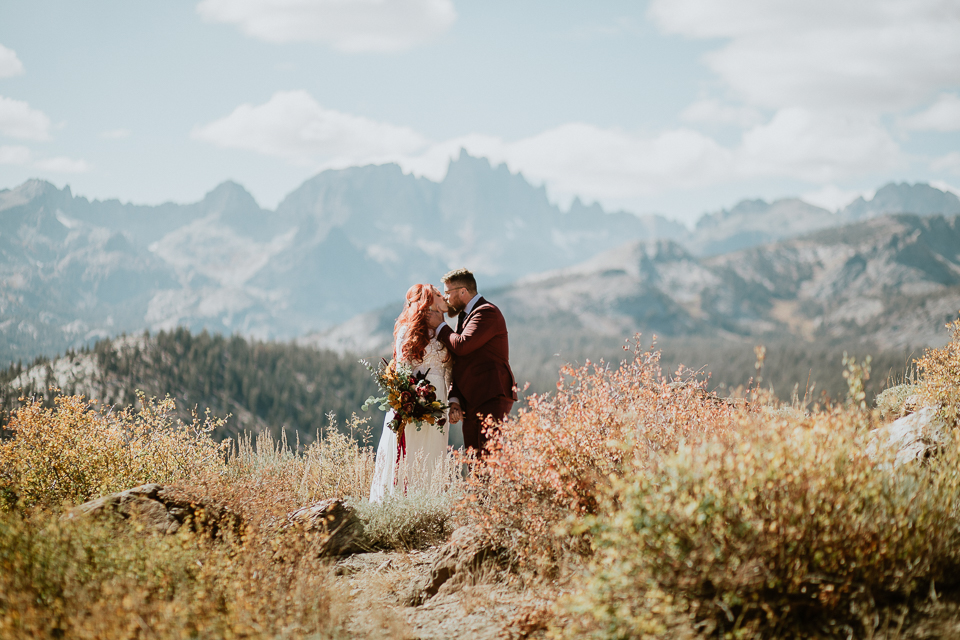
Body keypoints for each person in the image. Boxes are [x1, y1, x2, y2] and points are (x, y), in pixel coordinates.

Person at [369, 284, 452, 502]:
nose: (441, 296)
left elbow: (450, 369)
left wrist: (453, 400)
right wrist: (412, 397)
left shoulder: (443, 329)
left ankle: (429, 505)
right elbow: (401, 370)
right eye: (436, 294)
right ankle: (401, 503)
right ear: (426, 302)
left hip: (439, 401)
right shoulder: (408, 330)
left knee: (433, 452)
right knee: (412, 453)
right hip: (416, 401)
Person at [427, 268, 517, 457]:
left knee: (488, 460)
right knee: (474, 463)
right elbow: (461, 362)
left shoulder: (486, 312)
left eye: (448, 292)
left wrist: (440, 326)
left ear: (463, 292)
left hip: (491, 395)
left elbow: (462, 346)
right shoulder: (465, 316)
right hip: (472, 399)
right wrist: (455, 398)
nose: (446, 298)